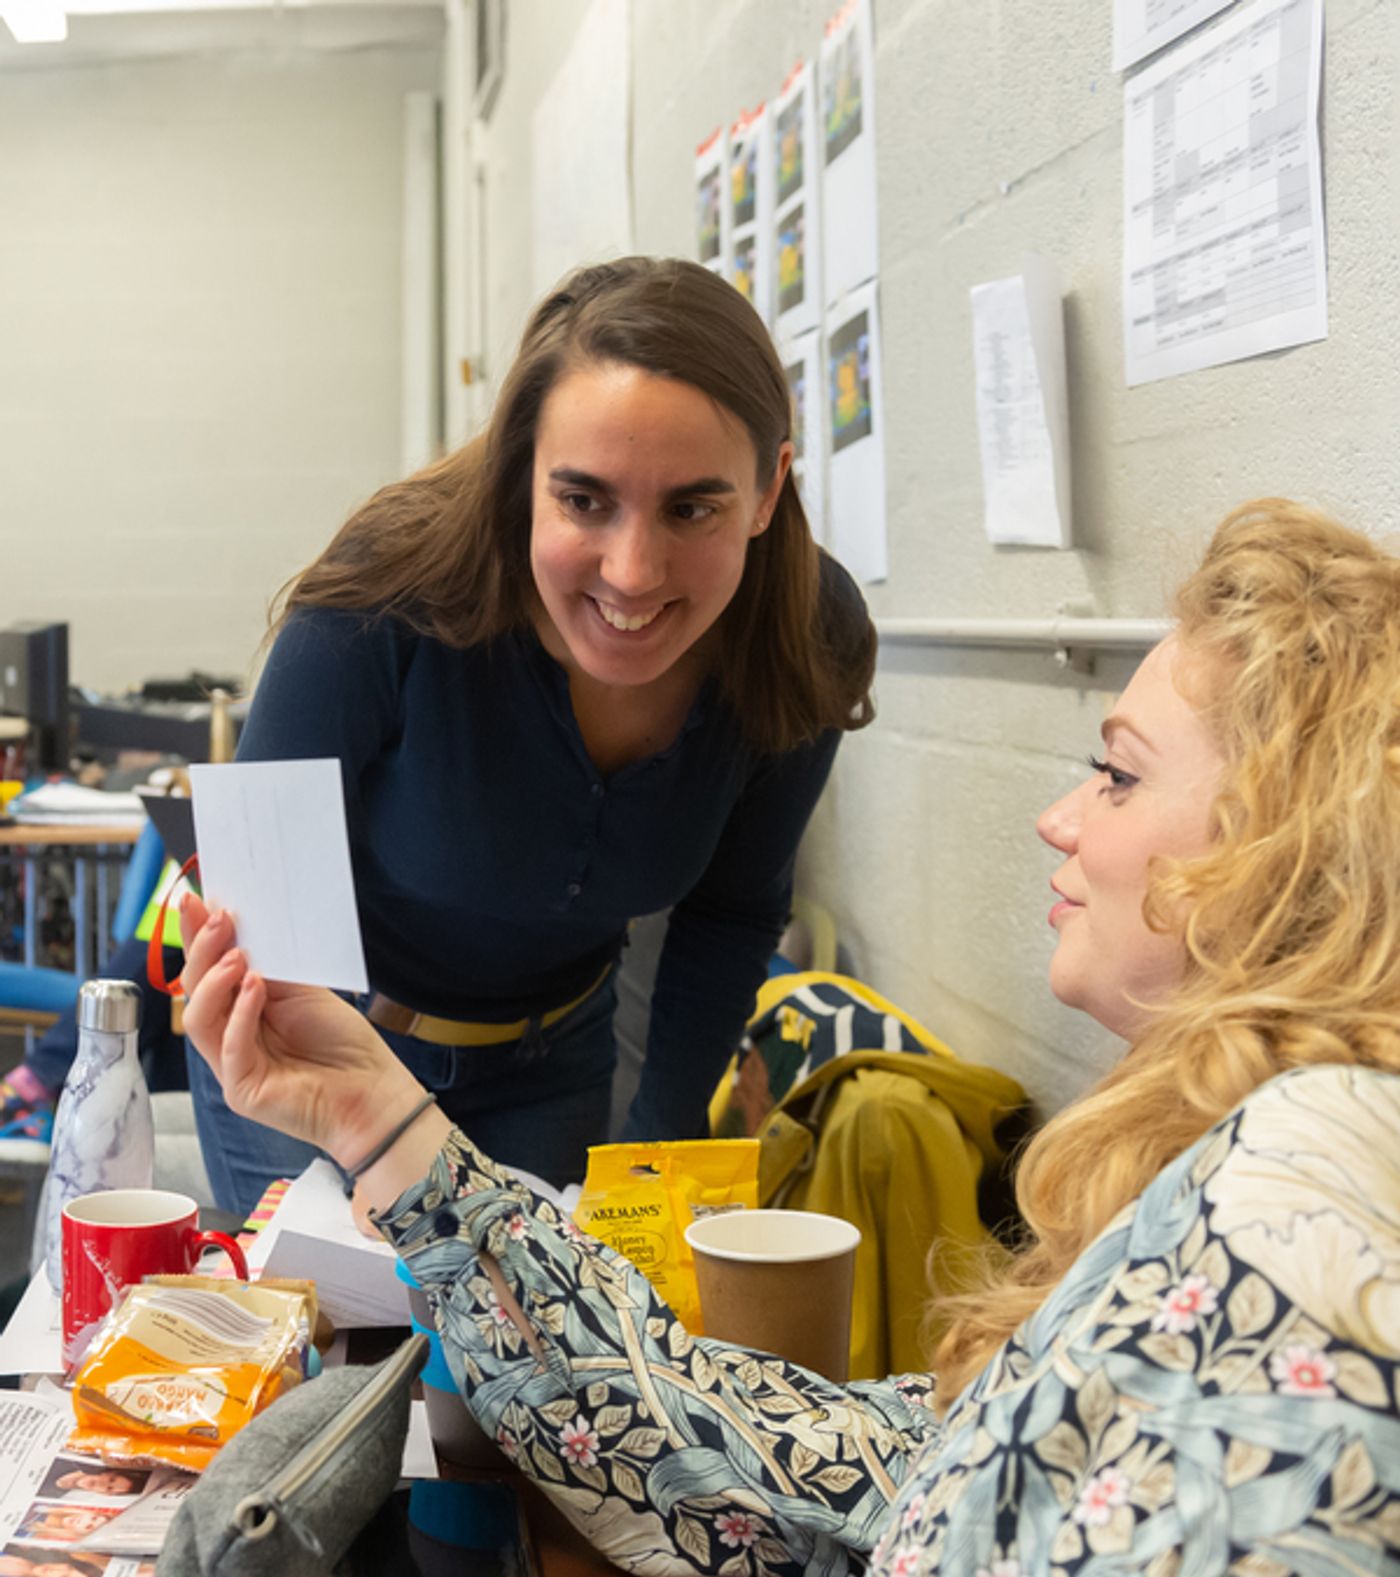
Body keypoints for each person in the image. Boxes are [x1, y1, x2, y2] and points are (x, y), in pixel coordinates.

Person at [180, 500, 1400, 1573]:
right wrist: (386, 1124)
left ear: (1289, 846)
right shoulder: (1245, 1154)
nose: (1058, 816)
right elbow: (838, 1468)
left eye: (1117, 774)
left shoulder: (1297, 1214)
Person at [189, 255, 876, 1216]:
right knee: (339, 1355)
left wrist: (650, 1169)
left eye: (693, 506)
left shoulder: (806, 634)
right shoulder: (390, 594)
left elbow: (730, 915)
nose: (633, 572)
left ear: (767, 492)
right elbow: (260, 907)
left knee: (524, 1359)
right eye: (584, 499)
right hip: (317, 1048)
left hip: (549, 1066)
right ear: (523, 480)